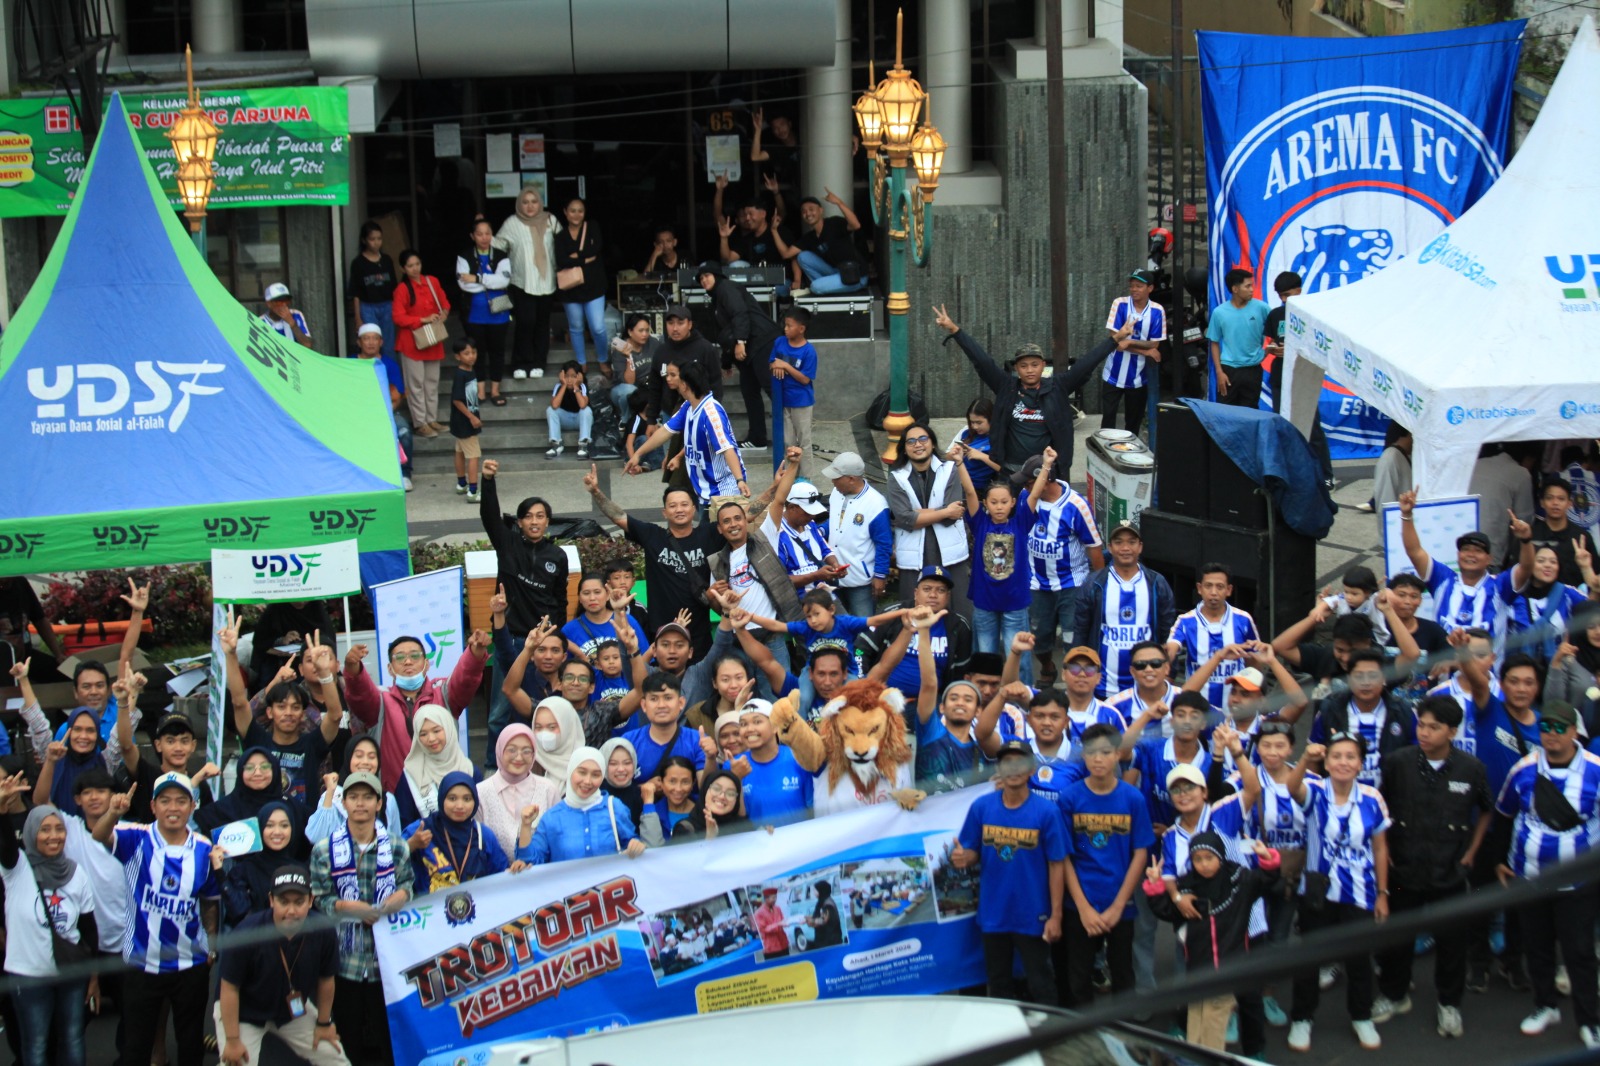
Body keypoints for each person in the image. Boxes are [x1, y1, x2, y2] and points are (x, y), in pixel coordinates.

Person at [1374, 695, 1493, 1038]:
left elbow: (1487, 808)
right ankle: (1393, 994)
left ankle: (1449, 1004)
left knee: (1452, 943)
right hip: (1403, 868)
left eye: (1434, 727)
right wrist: (1385, 849)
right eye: (1421, 724)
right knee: (1396, 938)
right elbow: (1379, 806)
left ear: (1452, 732)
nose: (1424, 732)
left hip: (1449, 870)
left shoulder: (1472, 769)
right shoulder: (1398, 762)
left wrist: (1472, 850)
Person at [93, 772, 220, 1066]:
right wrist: (113, 812)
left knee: (190, 1043)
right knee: (137, 1045)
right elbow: (99, 835)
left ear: (192, 807)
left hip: (190, 963)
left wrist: (211, 946)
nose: (172, 808)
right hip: (142, 962)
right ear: (153, 806)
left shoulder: (203, 848)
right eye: (165, 801)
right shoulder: (136, 837)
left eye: (180, 801)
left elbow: (210, 903)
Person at [1496, 699, 1600, 1049]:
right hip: (1530, 877)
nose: (1551, 735)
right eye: (1546, 727)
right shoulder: (1524, 769)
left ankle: (1590, 1020)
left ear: (1574, 731)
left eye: (1559, 728)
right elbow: (1505, 812)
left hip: (1578, 880)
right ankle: (1545, 1006)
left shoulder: (1595, 770)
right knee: (1537, 948)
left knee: (1580, 951)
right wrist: (1502, 860)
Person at [1285, 734, 1392, 1054]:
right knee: (1310, 958)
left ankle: (1361, 1016)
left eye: (1350, 757)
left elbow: (1380, 846)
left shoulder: (1373, 797)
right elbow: (1292, 787)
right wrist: (1306, 758)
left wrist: (1383, 894)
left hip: (1359, 892)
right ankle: (1302, 1018)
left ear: (1360, 763)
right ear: (1327, 762)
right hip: (1318, 892)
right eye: (1337, 756)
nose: (1343, 762)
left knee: (1358, 959)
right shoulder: (1316, 791)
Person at [309, 771, 414, 1066]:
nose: (360, 804)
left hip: (387, 962)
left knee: (389, 1040)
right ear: (344, 802)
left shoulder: (396, 846)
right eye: (353, 797)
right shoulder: (324, 849)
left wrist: (400, 898)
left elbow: (409, 886)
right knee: (348, 1040)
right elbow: (319, 899)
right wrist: (345, 907)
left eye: (368, 797)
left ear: (379, 803)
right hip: (345, 962)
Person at [950, 741, 1066, 1004]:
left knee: (1041, 983)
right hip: (993, 913)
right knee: (999, 985)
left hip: (1033, 914)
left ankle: (1051, 1039)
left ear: (1031, 769)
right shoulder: (982, 807)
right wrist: (963, 857)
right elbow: (971, 852)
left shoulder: (1047, 812)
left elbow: (1057, 864)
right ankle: (1007, 1041)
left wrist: (1055, 916)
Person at [1144, 830, 1282, 1052]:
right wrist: (1155, 886)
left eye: (1209, 858)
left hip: (1230, 973)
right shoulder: (1187, 889)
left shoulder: (1240, 881)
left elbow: (1267, 881)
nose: (1204, 865)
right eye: (1198, 859)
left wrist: (1267, 858)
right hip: (1198, 974)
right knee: (1195, 1026)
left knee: (1212, 1034)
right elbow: (1166, 911)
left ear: (1221, 856)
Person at [934, 303, 1106, 478]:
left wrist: (1114, 341)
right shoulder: (1006, 386)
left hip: (1047, 469)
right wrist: (955, 330)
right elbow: (982, 361)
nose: (1029, 370)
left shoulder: (1057, 387)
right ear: (1016, 368)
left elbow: (1087, 364)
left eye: (1034, 365)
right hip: (1011, 470)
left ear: (1043, 365)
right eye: (1023, 366)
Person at [0, 780, 98, 1066]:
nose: (53, 836)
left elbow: (88, 929)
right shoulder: (16, 868)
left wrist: (93, 977)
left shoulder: (75, 872)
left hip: (71, 975)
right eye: (45, 830)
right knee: (37, 1045)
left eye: (59, 829)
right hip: (29, 976)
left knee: (73, 1040)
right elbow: (5, 843)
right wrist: (2, 811)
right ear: (31, 833)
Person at [1056, 723, 1154, 1008]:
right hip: (1079, 904)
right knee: (1078, 977)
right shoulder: (1070, 798)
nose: (1098, 759)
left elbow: (1140, 853)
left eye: (1106, 752)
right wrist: (1084, 908)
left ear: (1117, 755)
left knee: (1123, 974)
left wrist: (1118, 906)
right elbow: (1065, 855)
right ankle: (1083, 1038)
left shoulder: (1132, 798)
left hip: (1120, 903)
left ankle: (1125, 1039)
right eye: (1091, 753)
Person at [215, 864, 349, 1066]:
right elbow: (229, 988)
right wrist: (233, 1040)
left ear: (311, 900)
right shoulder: (247, 933)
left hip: (292, 1012)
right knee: (235, 1061)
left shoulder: (323, 931)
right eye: (283, 902)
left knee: (335, 1057)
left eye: (299, 902)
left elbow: (326, 979)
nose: (291, 911)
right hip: (243, 1013)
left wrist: (324, 1022)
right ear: (271, 900)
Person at [477, 466, 566, 759]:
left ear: (548, 521)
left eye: (540, 516)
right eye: (528, 516)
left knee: (544, 708)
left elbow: (560, 601)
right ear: (520, 522)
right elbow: (489, 517)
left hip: (543, 646)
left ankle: (542, 763)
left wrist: (557, 641)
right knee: (499, 713)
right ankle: (493, 764)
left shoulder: (557, 556)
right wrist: (488, 481)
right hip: (511, 641)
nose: (534, 521)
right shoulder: (508, 543)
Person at [586, 474, 726, 656]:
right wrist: (596, 492)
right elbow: (619, 516)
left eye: (684, 504)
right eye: (672, 506)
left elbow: (741, 519)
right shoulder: (653, 536)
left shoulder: (708, 534)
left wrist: (774, 491)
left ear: (694, 509)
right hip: (661, 633)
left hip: (698, 633)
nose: (679, 510)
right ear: (664, 512)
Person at [955, 440, 1049, 672]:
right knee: (985, 658)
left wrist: (1046, 465)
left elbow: (1035, 494)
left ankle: (1021, 701)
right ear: (985, 504)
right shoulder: (980, 523)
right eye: (994, 502)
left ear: (1013, 503)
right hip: (984, 602)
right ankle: (986, 700)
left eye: (1004, 502)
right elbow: (969, 491)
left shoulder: (1021, 522)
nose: (999, 507)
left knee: (1018, 659)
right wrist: (959, 463)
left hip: (1015, 602)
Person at [224, 624, 344, 806]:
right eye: (282, 706)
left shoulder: (312, 745)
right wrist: (231, 655)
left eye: (295, 707)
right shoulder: (257, 741)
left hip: (304, 831)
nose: (288, 713)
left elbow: (335, 716)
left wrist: (324, 673)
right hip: (265, 828)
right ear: (270, 712)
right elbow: (240, 703)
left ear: (303, 713)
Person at [1015, 454, 1103, 685]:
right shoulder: (1026, 497)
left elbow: (1094, 548)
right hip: (1036, 584)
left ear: (1045, 479)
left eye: (1028, 481)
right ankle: (1047, 666)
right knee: (1039, 638)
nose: (1024, 486)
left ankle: (1075, 683)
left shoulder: (1077, 506)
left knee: (1073, 639)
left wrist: (1099, 586)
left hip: (1071, 584)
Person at [1074, 521, 1178, 699]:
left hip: (1147, 687)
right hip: (1103, 688)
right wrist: (1078, 672)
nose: (1125, 548)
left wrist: (1170, 672)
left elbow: (1168, 633)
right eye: (1119, 542)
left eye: (1131, 542)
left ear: (1140, 547)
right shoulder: (1094, 584)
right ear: (1110, 547)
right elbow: (1081, 631)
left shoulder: (1156, 583)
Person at [626, 360, 749, 505]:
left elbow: (727, 449)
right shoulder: (688, 407)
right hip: (704, 490)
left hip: (723, 492)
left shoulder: (711, 415)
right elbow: (665, 431)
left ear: (684, 385)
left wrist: (740, 480)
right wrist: (639, 454)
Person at [709, 498, 803, 679]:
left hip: (771, 639)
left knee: (781, 695)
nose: (733, 524)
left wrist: (791, 470)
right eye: (726, 521)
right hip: (740, 642)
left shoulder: (764, 540)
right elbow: (718, 609)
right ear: (720, 529)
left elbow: (779, 500)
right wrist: (714, 595)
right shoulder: (717, 562)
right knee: (746, 697)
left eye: (737, 518)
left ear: (746, 522)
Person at [884, 421, 972, 608]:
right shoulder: (896, 477)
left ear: (932, 443)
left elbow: (952, 517)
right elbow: (905, 519)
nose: (918, 444)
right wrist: (944, 510)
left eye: (923, 438)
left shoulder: (949, 469)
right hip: (913, 555)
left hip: (949, 552)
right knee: (914, 612)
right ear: (904, 449)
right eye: (911, 441)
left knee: (957, 612)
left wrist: (915, 515)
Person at [697, 261, 777, 450]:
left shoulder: (727, 287)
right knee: (749, 391)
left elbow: (740, 314)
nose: (703, 280)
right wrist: (726, 362)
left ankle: (794, 434)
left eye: (707, 276)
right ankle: (757, 439)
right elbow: (724, 334)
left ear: (717, 276)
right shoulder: (716, 299)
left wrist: (741, 341)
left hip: (760, 341)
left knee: (772, 389)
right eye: (700, 278)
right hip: (748, 348)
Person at [1397, 487, 1500, 633]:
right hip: (1444, 656)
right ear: (1458, 555)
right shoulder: (1442, 578)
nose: (1470, 554)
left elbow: (1525, 569)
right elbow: (1414, 552)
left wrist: (1525, 541)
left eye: (1478, 551)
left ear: (1489, 559)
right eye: (1465, 549)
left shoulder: (1500, 586)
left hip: (1487, 656)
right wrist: (1406, 514)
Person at [519, 747, 648, 864]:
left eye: (596, 775)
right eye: (582, 772)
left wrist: (635, 845)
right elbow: (532, 863)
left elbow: (630, 842)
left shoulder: (614, 807)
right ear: (570, 771)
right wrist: (525, 826)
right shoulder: (551, 818)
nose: (587, 781)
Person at [1166, 564, 1260, 709]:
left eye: (1219, 587)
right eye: (1208, 586)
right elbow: (1171, 647)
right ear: (1199, 588)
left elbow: (1254, 659)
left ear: (1229, 590)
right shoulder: (1185, 621)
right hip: (1198, 708)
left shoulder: (1243, 619)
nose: (1213, 592)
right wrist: (1165, 659)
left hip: (1235, 708)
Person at [821, 451, 893, 617]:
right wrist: (821, 531)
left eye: (836, 478)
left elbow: (884, 543)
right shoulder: (836, 493)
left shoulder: (876, 504)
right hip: (833, 575)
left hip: (860, 580)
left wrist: (880, 575)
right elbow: (835, 521)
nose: (832, 481)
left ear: (851, 479)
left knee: (863, 628)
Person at [495, 185, 557, 379]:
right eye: (525, 202)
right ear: (519, 203)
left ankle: (539, 362)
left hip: (547, 282)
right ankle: (520, 363)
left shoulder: (551, 220)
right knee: (525, 322)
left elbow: (563, 244)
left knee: (541, 323)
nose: (530, 206)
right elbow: (497, 246)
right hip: (522, 282)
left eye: (534, 201)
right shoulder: (511, 223)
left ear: (540, 202)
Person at [221, 800, 311, 928]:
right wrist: (219, 872)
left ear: (293, 828)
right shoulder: (244, 870)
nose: (277, 832)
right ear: (260, 827)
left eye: (284, 825)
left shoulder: (302, 870)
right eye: (269, 825)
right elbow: (238, 911)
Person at [392, 249, 451, 437]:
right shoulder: (402, 289)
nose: (415, 268)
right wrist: (423, 319)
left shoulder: (432, 282)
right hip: (412, 342)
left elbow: (445, 304)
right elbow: (398, 317)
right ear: (403, 268)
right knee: (415, 384)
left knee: (431, 382)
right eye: (410, 266)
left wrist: (444, 314)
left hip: (432, 340)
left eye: (417, 264)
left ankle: (431, 419)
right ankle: (420, 422)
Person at [1100, 269, 1166, 434]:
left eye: (1139, 286)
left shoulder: (1157, 310)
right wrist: (1144, 351)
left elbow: (1155, 344)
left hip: (1138, 377)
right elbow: (1115, 340)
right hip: (1112, 373)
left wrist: (1129, 341)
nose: (1134, 289)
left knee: (1133, 422)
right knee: (1108, 419)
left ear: (1150, 288)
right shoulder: (1120, 303)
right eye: (1132, 286)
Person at [306, 736, 404, 846]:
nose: (365, 762)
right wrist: (330, 792)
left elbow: (395, 843)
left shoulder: (387, 800)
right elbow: (316, 838)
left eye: (372, 757)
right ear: (348, 758)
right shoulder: (333, 794)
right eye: (359, 756)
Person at [456, 218, 513, 404]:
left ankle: (495, 391)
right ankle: (480, 392)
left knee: (497, 351)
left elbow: (503, 282)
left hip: (499, 313)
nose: (484, 237)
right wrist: (489, 281)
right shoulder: (464, 257)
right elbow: (464, 285)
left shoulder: (501, 255)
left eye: (487, 233)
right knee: (476, 353)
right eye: (479, 234)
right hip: (474, 314)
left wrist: (478, 279)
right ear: (472, 236)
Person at [395, 704, 478, 828]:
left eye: (436, 730)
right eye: (423, 734)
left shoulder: (470, 771)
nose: (431, 738)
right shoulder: (411, 775)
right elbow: (405, 823)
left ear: (448, 728)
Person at [773, 189, 865, 295]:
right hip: (836, 273)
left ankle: (823, 287)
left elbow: (856, 225)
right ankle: (826, 287)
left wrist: (838, 202)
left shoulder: (834, 223)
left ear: (821, 210)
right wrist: (774, 230)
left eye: (811, 209)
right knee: (802, 256)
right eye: (804, 211)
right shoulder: (810, 237)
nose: (807, 213)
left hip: (854, 275)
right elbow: (786, 254)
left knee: (815, 286)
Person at [553, 197, 608, 367]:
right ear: (565, 212)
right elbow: (561, 260)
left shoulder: (592, 227)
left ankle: (603, 359)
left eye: (580, 210)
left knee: (598, 327)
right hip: (570, 289)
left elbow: (597, 248)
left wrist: (576, 257)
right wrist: (585, 259)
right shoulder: (560, 236)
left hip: (594, 286)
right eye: (572, 210)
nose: (576, 214)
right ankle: (581, 362)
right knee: (576, 327)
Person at [1207, 267, 1270, 408]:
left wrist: (1267, 351)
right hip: (1229, 370)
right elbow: (1214, 342)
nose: (1252, 290)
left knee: (1250, 412)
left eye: (1252, 285)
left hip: (1253, 370)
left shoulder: (1262, 308)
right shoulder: (1219, 313)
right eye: (1247, 286)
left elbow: (1275, 330)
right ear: (1235, 289)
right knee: (1225, 411)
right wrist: (1219, 372)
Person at [1468, 444, 1537, 566]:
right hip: (1489, 554)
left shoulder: (1476, 463)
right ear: (1528, 458)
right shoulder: (1521, 474)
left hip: (1460, 548)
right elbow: (1524, 521)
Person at [770, 305, 818, 477]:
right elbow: (772, 362)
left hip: (802, 402)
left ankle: (806, 479)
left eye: (789, 325)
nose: (786, 328)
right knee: (788, 441)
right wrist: (776, 365)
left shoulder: (808, 351)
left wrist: (786, 366)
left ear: (801, 328)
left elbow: (806, 378)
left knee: (804, 441)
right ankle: (790, 476)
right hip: (783, 401)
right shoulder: (780, 342)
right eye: (785, 325)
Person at [1527, 476, 1600, 587]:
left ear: (1569, 503)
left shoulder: (1582, 537)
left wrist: (1586, 567)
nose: (1555, 503)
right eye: (1549, 498)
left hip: (1574, 600)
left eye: (1561, 499)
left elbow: (1596, 578)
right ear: (1541, 503)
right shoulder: (1529, 535)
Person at [347, 221, 398, 361]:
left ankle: (389, 376)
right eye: (372, 239)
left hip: (387, 305)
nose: (376, 243)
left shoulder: (387, 260)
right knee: (370, 343)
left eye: (379, 239)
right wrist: (357, 318)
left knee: (388, 344)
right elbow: (356, 292)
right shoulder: (358, 263)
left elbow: (395, 288)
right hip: (367, 307)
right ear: (364, 240)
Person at [608, 312, 662, 421]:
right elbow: (629, 381)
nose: (645, 334)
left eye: (647, 330)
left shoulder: (654, 343)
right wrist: (629, 357)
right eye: (641, 331)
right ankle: (626, 420)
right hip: (623, 390)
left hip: (647, 388)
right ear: (630, 332)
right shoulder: (619, 351)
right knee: (630, 390)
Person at [1262, 269, 1301, 411]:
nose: (1283, 299)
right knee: (1280, 413)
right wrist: (1272, 348)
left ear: (1298, 291)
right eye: (1280, 296)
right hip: (1279, 372)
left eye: (1287, 295)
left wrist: (1292, 350)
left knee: (1307, 419)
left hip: (1301, 373)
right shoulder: (1276, 314)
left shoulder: (1311, 315)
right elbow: (1272, 340)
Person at [449, 339, 484, 497]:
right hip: (465, 421)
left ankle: (462, 483)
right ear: (458, 356)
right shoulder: (460, 375)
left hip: (461, 420)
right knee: (473, 455)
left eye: (474, 352)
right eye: (466, 353)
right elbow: (457, 400)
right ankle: (473, 490)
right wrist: (472, 417)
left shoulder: (470, 372)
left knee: (460, 452)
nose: (471, 356)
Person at [545, 359, 594, 459]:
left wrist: (576, 386)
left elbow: (583, 405)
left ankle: (583, 445)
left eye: (573, 376)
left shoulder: (582, 386)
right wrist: (563, 385)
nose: (570, 380)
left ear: (579, 376)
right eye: (567, 376)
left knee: (587, 410)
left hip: (579, 420)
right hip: (565, 420)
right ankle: (557, 444)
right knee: (550, 410)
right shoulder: (559, 386)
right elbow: (554, 405)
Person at [261, 282, 312, 348]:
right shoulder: (260, 322)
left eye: (286, 301)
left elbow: (307, 345)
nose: (284, 305)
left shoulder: (295, 314)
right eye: (279, 302)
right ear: (269, 304)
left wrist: (292, 323)